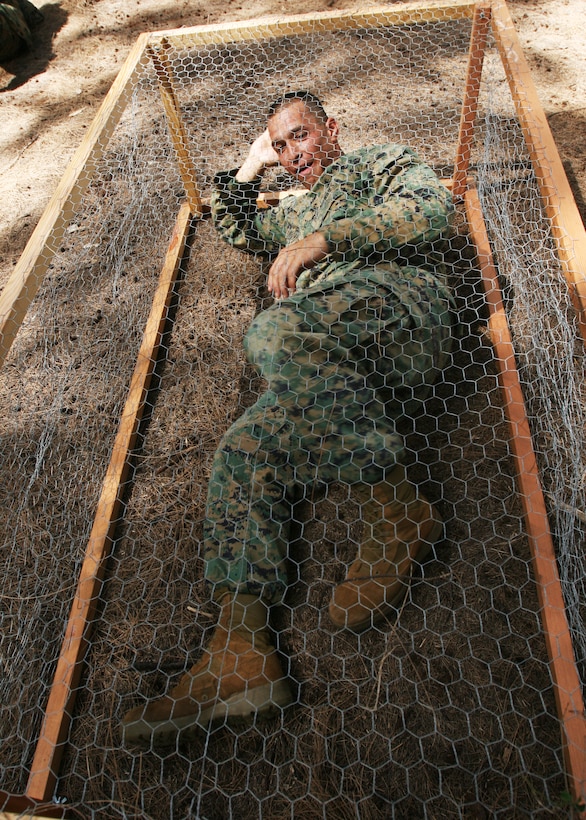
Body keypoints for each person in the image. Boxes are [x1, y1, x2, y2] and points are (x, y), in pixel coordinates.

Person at [122, 91, 455, 746]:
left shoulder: (381, 165)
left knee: (274, 334)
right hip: (331, 366)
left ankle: (397, 508)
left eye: (300, 136)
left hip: (401, 310)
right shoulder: (292, 208)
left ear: (332, 129)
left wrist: (323, 240)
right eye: (280, 146)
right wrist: (249, 169)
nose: (291, 154)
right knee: (244, 451)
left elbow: (429, 211)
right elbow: (240, 225)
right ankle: (241, 654)